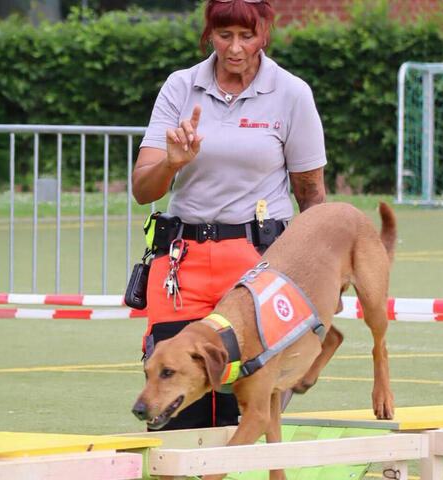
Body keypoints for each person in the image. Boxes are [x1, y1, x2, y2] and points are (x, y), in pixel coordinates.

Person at [131, 0, 327, 431]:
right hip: (182, 267)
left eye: (246, 36)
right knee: (176, 413)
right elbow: (143, 189)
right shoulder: (180, 86)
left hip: (257, 269)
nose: (235, 48)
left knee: (250, 414)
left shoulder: (292, 93)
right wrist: (171, 163)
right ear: (209, 35)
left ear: (264, 35)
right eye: (224, 36)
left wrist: (319, 275)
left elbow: (312, 196)